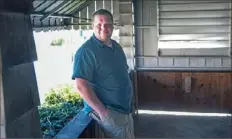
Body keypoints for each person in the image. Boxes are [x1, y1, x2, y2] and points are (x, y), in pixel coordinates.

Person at [71, 9, 135, 138]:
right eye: (99, 25)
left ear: (112, 26)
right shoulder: (86, 51)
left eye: (107, 24)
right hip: (110, 112)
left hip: (124, 110)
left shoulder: (116, 47)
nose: (103, 28)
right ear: (92, 26)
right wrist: (103, 113)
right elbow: (81, 85)